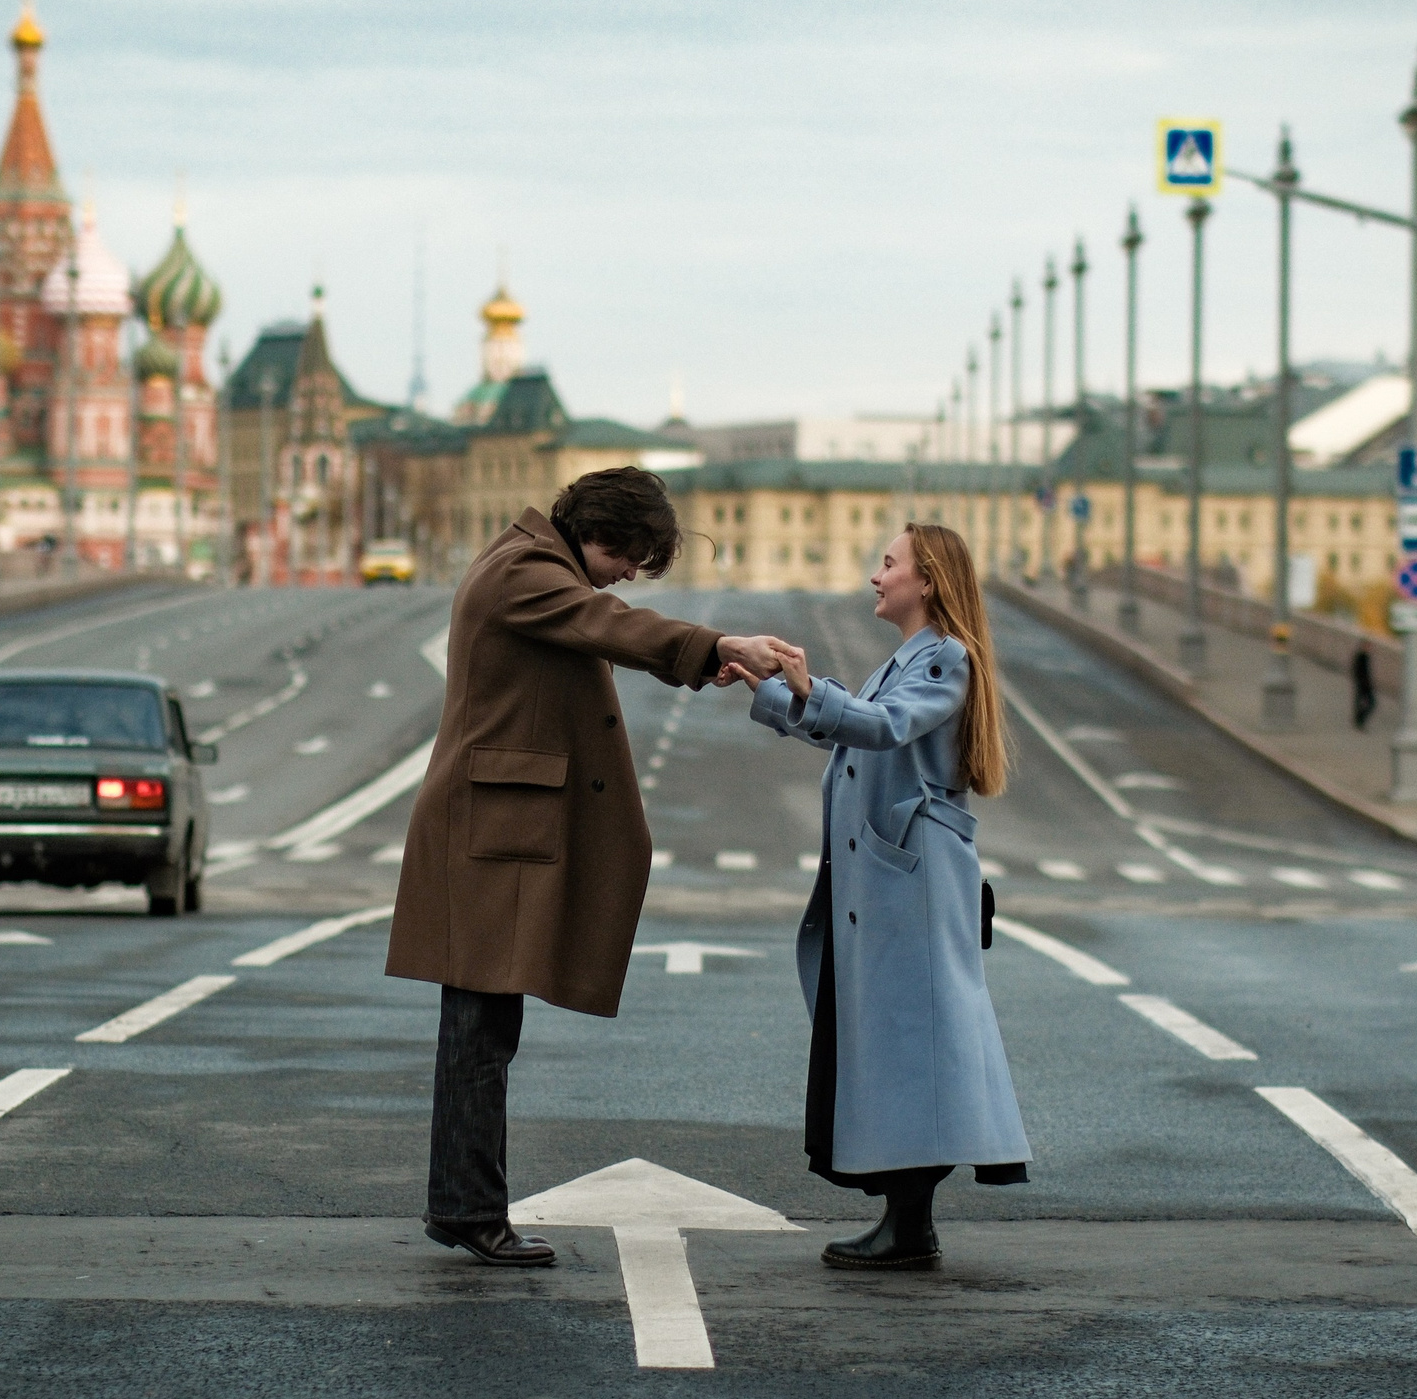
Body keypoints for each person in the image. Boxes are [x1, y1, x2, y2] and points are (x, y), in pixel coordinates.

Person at [386, 467, 793, 1268]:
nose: (630, 574)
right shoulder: (525, 570)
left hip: (499, 826)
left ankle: (463, 1203)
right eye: (630, 556)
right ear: (597, 531)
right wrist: (715, 644)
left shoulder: (531, 560)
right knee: (478, 1033)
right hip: (493, 830)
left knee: (482, 1030)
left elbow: (600, 625)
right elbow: (606, 623)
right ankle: (468, 1209)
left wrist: (695, 659)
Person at [733, 522, 1031, 1271]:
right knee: (897, 1043)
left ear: (927, 580)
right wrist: (774, 694)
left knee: (913, 1047)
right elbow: (852, 733)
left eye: (889, 563)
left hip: (915, 881)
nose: (877, 575)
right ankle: (907, 1221)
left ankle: (909, 1223)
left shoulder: (945, 657)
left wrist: (809, 689)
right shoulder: (911, 658)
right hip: (897, 879)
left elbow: (884, 727)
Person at [1350, 646, 1376, 732]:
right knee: (1370, 702)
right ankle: (1359, 719)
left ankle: (1358, 718)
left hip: (1363, 684)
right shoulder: (1362, 657)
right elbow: (1359, 671)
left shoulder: (1364, 657)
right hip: (1364, 684)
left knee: (1361, 701)